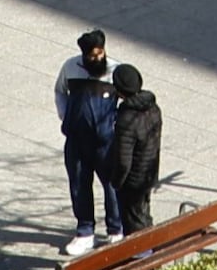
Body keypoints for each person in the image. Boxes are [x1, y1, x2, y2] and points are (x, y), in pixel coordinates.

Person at [55, 31, 113, 243]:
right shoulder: (70, 67)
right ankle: (85, 230)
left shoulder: (114, 70)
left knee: (112, 185)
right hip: (77, 139)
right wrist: (65, 116)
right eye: (92, 56)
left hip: (105, 141)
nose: (97, 59)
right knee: (79, 184)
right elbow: (60, 91)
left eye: (100, 54)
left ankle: (115, 229)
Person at [104, 60, 164, 237]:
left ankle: (142, 257)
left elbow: (123, 161)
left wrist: (116, 182)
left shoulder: (127, 118)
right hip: (148, 174)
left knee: (134, 223)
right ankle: (147, 250)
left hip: (132, 182)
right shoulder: (153, 108)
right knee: (142, 214)